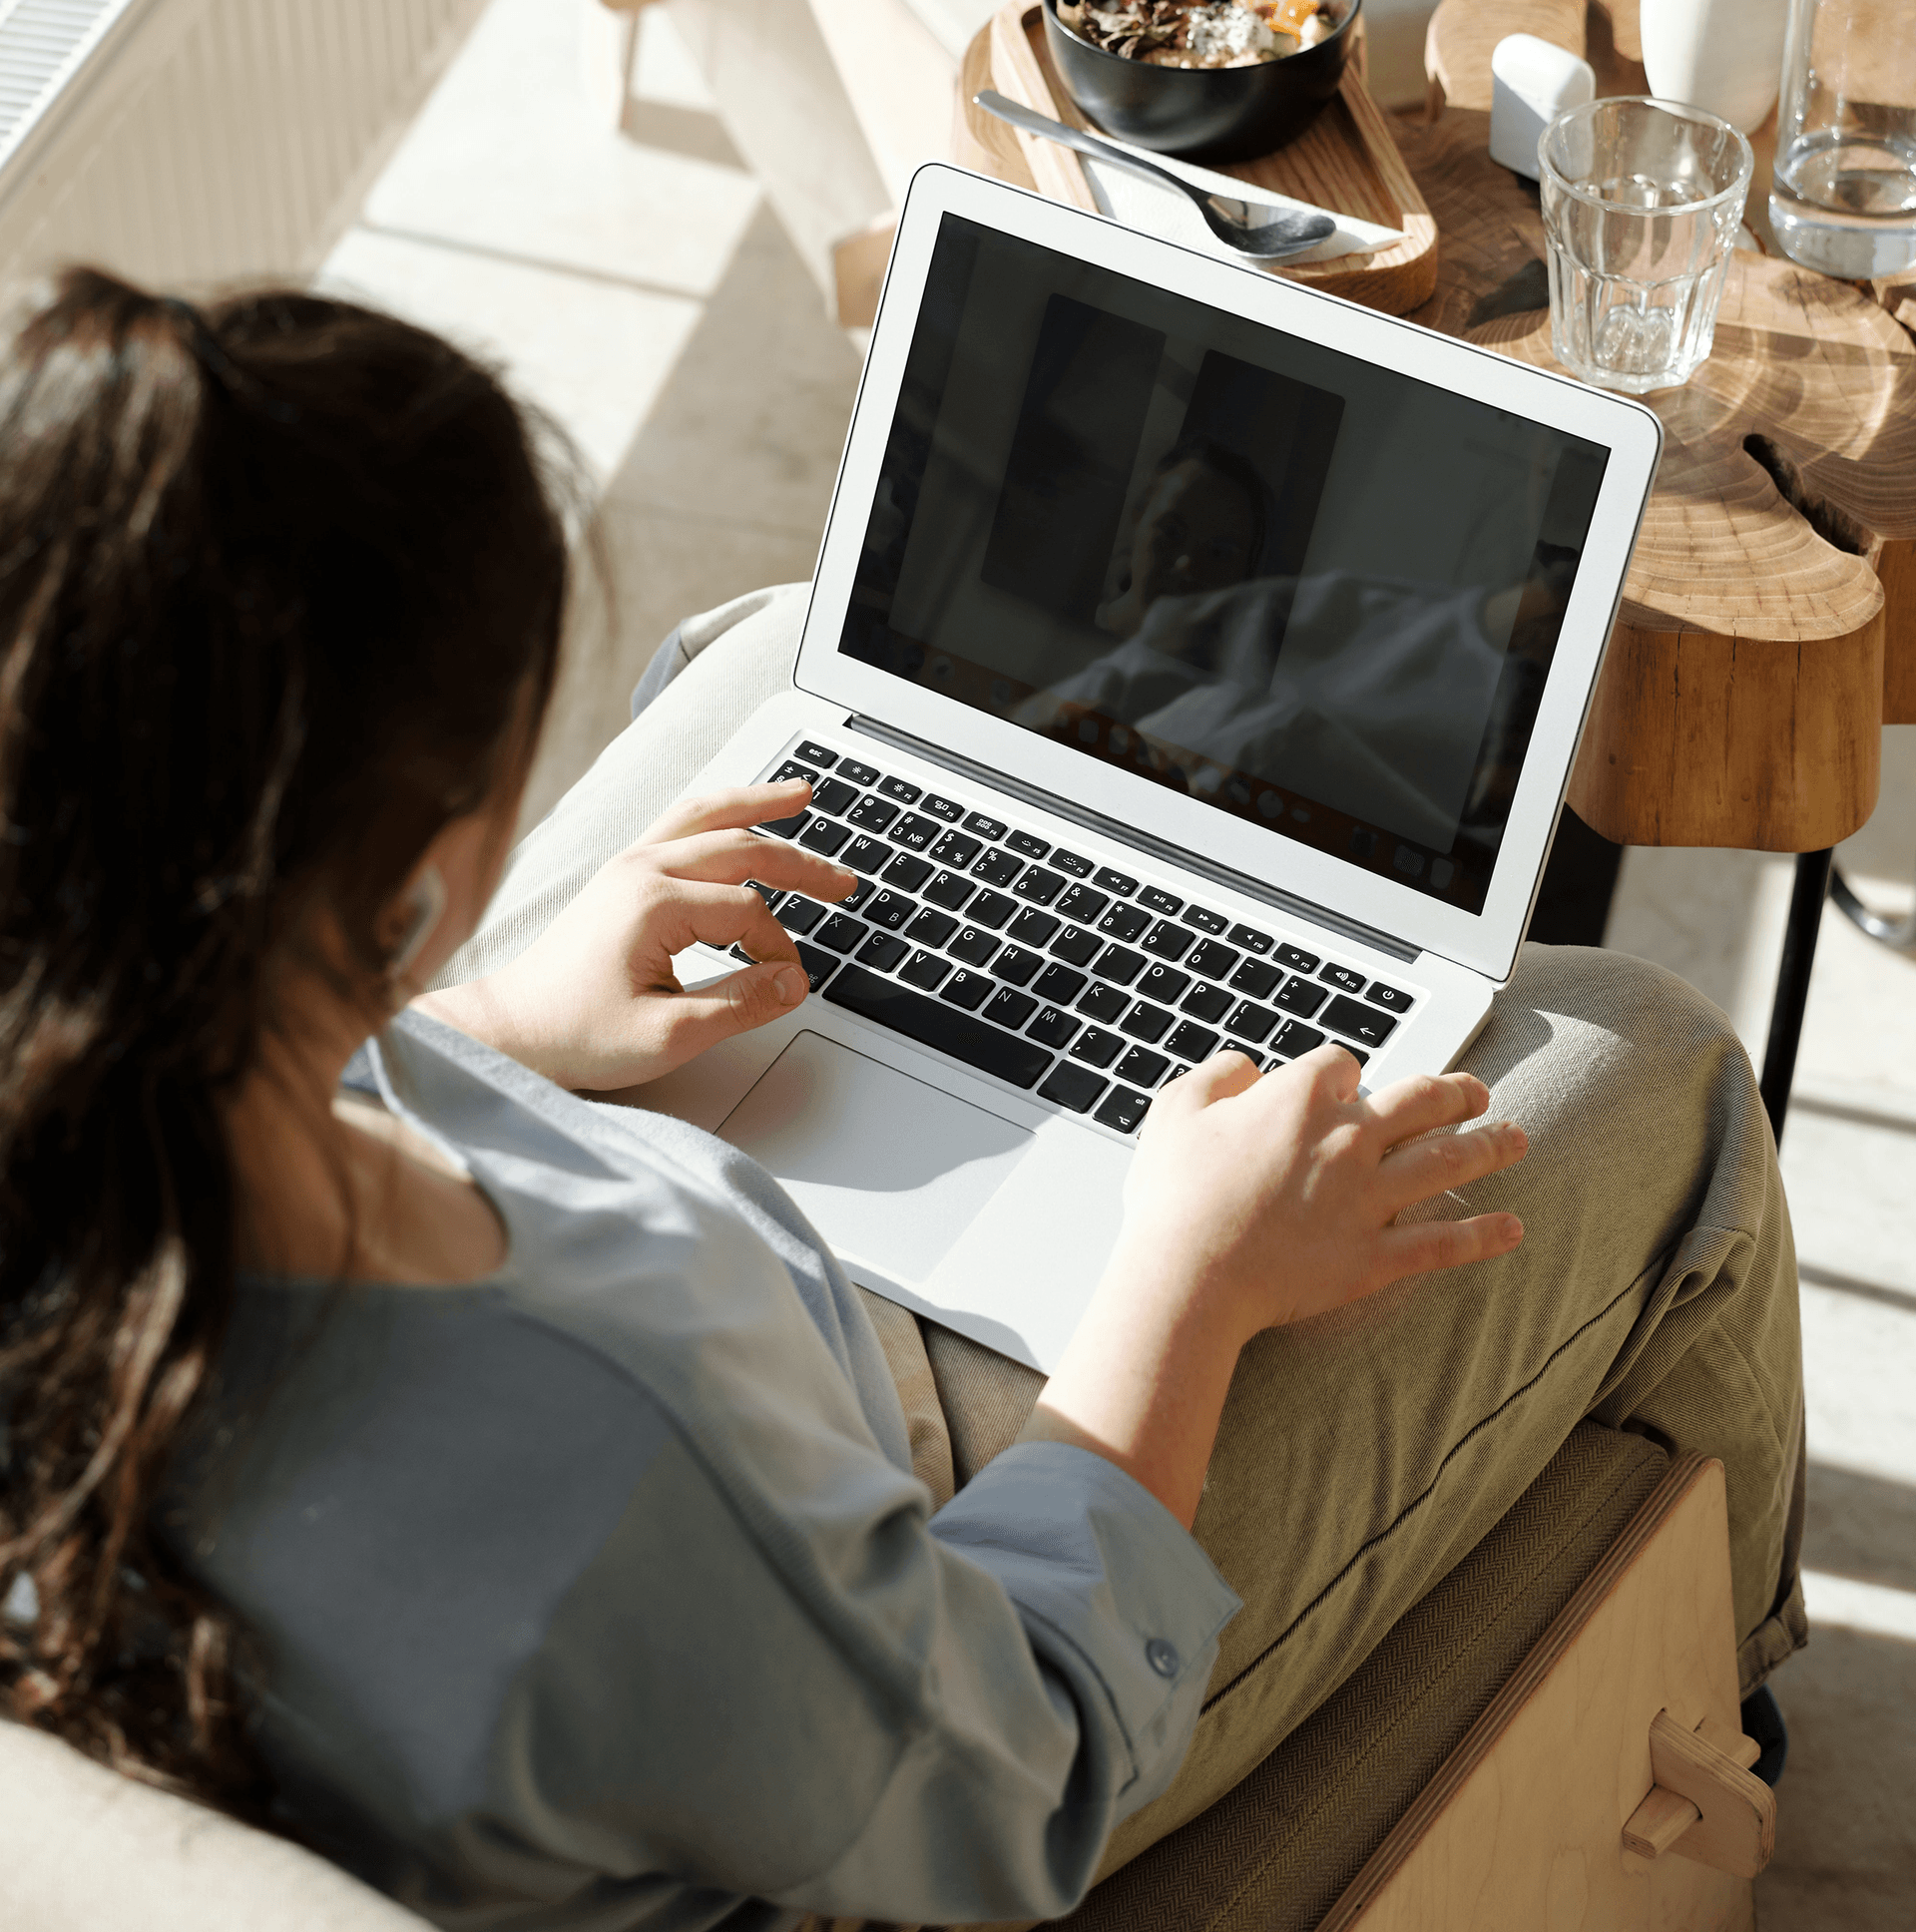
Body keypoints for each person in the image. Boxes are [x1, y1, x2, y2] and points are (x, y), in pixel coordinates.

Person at [0, 272, 1804, 1932]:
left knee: (779, 641)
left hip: (600, 1568)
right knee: (1653, 1066)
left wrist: (469, 1035)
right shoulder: (613, 1441)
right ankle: (1729, 1724)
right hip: (914, 1678)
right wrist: (1191, 1279)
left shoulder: (92, 1106)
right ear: (418, 867)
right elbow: (1019, 1766)